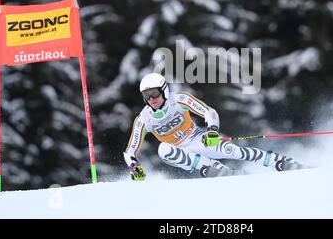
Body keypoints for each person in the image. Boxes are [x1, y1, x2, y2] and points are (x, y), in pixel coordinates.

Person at [124, 73, 301, 180]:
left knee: (234, 151)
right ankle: (211, 167)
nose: (151, 99)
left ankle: (278, 161)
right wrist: (134, 166)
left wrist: (212, 130)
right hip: (178, 153)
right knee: (163, 149)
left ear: (164, 90)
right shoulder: (144, 119)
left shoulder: (179, 99)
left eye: (154, 93)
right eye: (146, 96)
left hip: (196, 139)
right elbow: (130, 151)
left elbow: (209, 112)